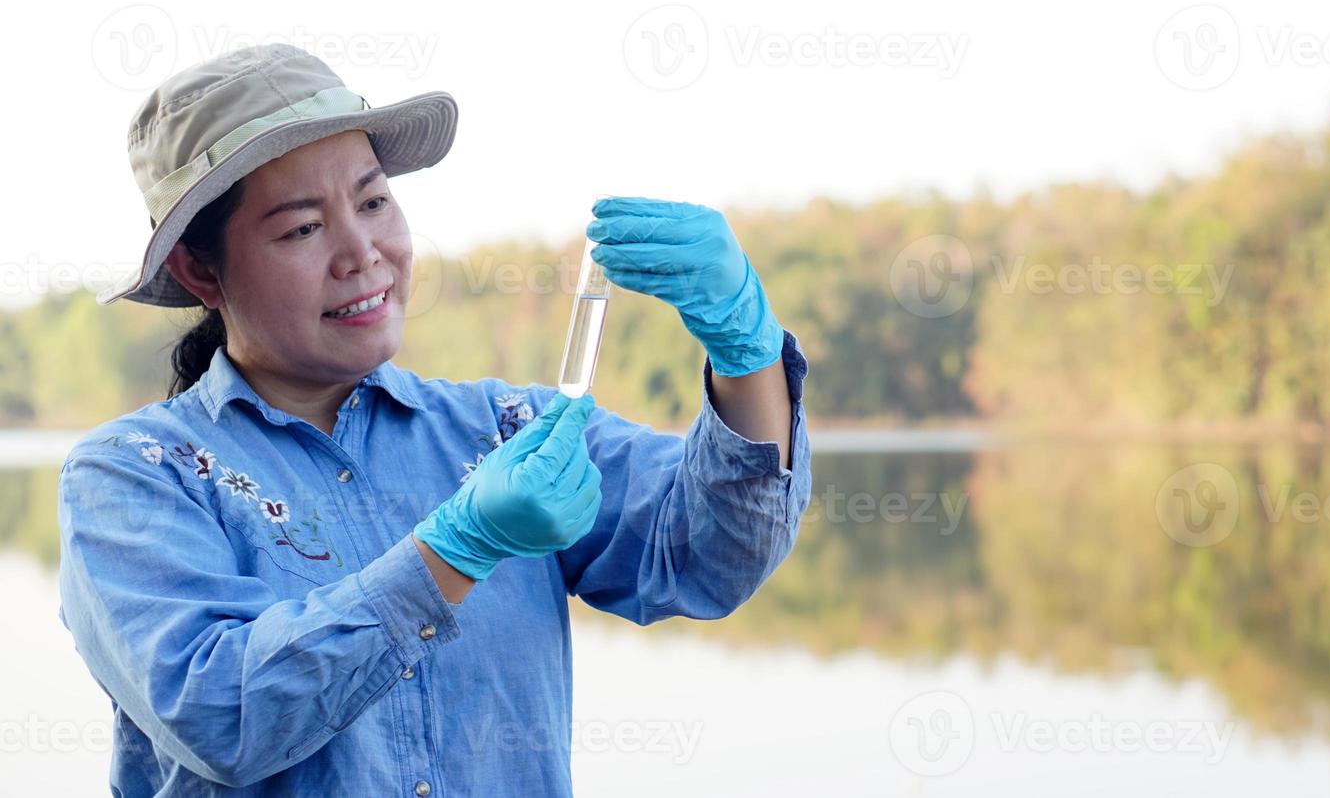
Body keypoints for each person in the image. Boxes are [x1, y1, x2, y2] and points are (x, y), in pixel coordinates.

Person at [57, 43, 812, 795]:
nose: (363, 252)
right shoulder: (130, 475)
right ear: (198, 268)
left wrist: (744, 348)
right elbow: (221, 716)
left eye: (374, 201)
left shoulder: (506, 427)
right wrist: (455, 550)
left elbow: (711, 556)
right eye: (301, 229)